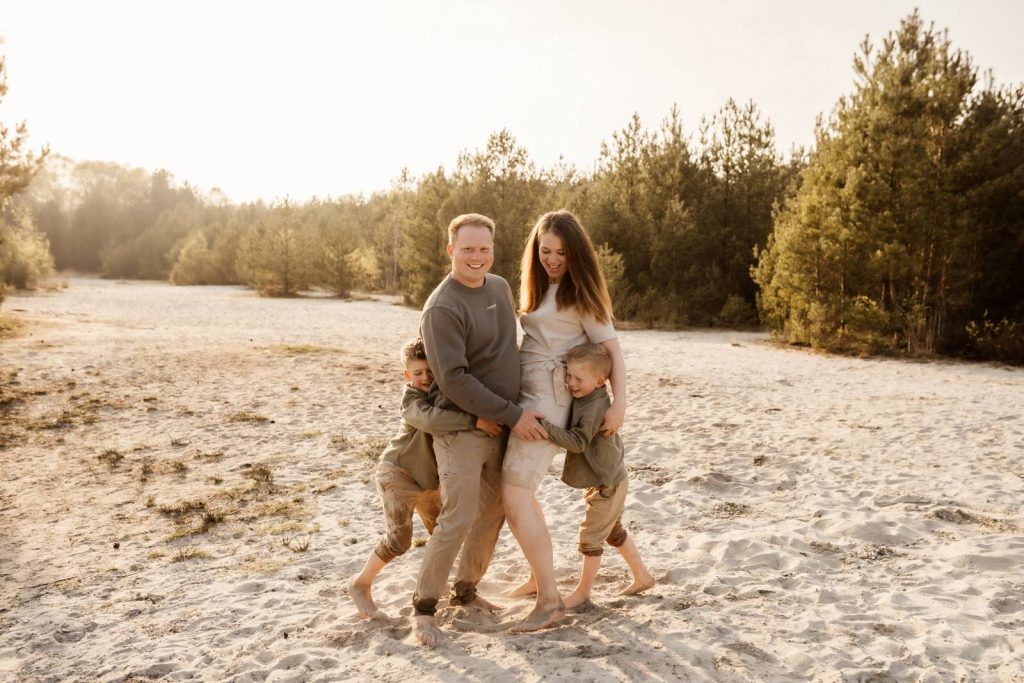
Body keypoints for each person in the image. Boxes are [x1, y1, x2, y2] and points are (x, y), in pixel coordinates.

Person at [412, 213, 547, 647]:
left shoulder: (500, 286)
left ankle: (466, 591)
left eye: (484, 248)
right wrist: (508, 414)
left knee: (494, 512)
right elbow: (454, 379)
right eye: (467, 249)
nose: (477, 257)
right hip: (463, 429)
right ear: (450, 251)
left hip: (502, 421)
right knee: (458, 516)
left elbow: (508, 349)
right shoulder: (442, 307)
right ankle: (424, 609)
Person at [502, 209, 629, 632]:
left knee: (514, 493)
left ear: (576, 254)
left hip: (550, 400)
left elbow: (613, 352)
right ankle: (541, 577)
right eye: (545, 251)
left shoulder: (581, 295)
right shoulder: (541, 287)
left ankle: (549, 599)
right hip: (528, 391)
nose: (552, 260)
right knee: (523, 492)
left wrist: (619, 404)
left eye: (560, 253)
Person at [349, 337, 500, 620]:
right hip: (400, 475)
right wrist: (475, 422)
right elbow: (429, 420)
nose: (425, 378)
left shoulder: (445, 392)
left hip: (430, 482)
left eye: (430, 371)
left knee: (443, 533)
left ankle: (455, 591)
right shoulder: (412, 399)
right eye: (417, 373)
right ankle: (361, 584)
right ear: (407, 375)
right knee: (399, 540)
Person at [538, 343, 654, 607]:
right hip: (607, 476)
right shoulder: (585, 397)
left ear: (601, 381)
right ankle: (643, 576)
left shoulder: (593, 407)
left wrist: (545, 427)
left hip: (609, 483)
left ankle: (582, 593)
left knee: (589, 537)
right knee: (613, 532)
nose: (571, 383)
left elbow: (578, 442)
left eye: (579, 379)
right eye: (568, 376)